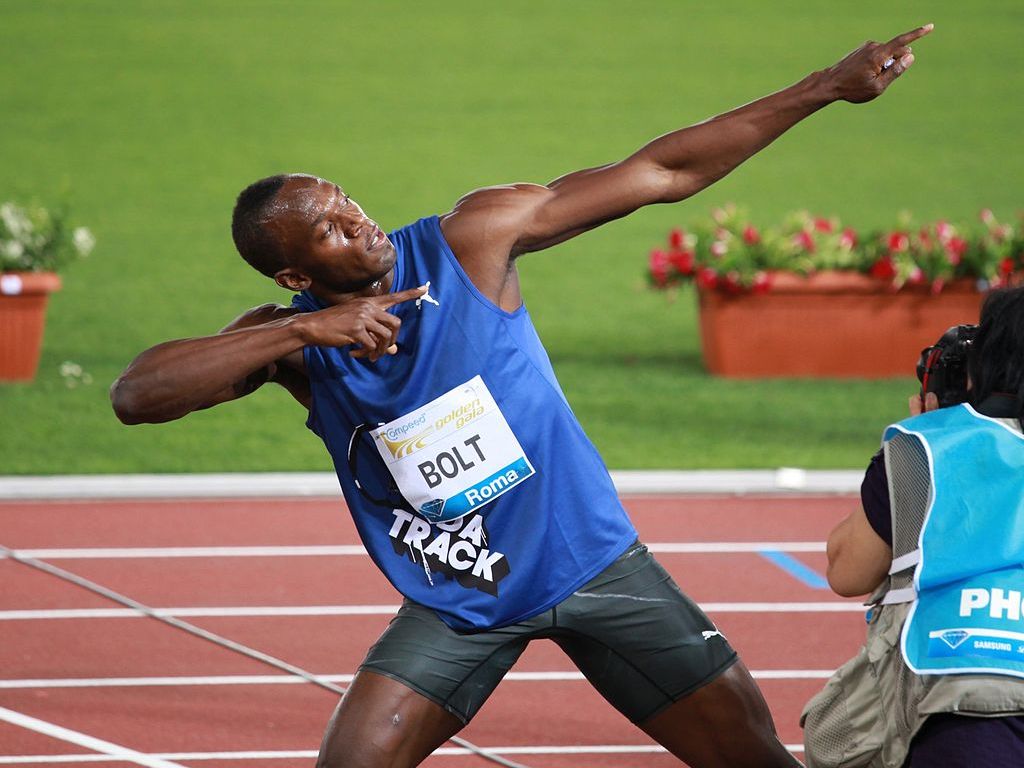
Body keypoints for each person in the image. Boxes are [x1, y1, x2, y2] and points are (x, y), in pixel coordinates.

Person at [111, 25, 932, 768]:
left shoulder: (470, 242)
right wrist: (301, 331)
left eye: (345, 200)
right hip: (463, 598)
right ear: (295, 274)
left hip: (597, 567)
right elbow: (136, 395)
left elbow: (661, 171)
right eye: (328, 228)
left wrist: (824, 87)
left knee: (753, 759)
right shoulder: (289, 342)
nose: (357, 222)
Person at [804, 287, 1024, 768]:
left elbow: (847, 571)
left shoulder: (925, 447)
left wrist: (930, 436)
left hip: (957, 705)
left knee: (835, 739)